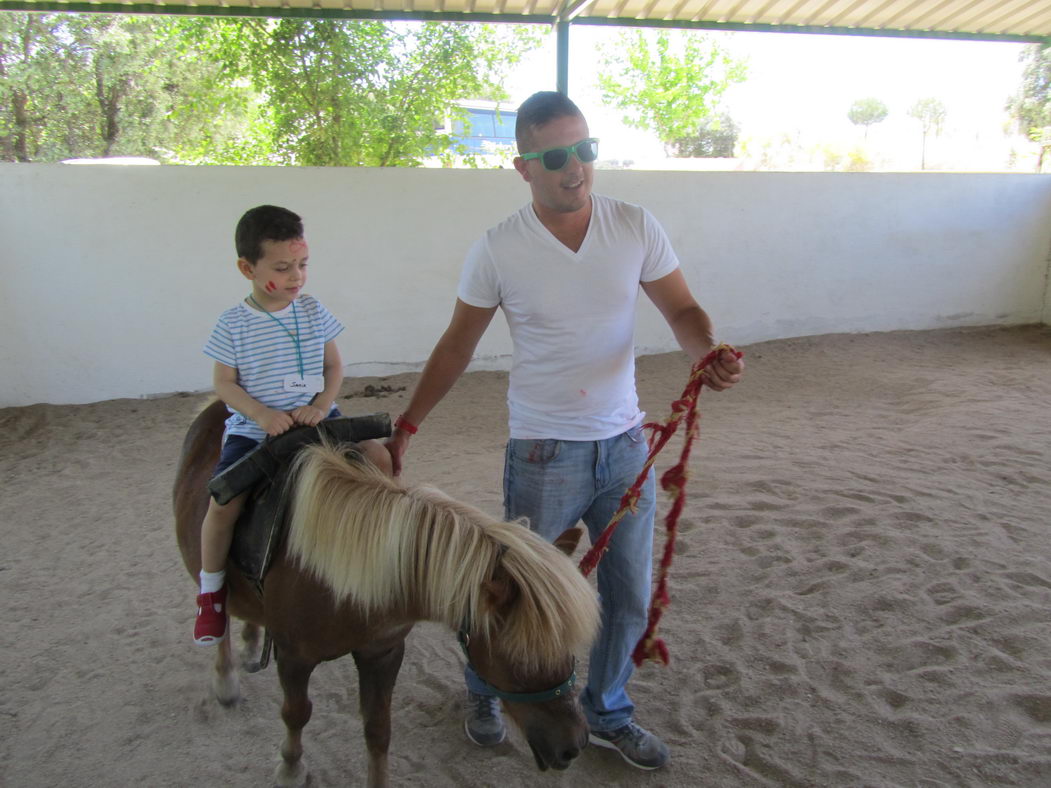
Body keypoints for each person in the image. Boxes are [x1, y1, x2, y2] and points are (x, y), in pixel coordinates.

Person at [385, 91, 743, 771]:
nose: (574, 166)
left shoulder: (634, 225)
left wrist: (706, 353)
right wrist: (407, 423)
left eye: (585, 149)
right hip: (542, 451)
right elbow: (458, 344)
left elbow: (683, 309)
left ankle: (608, 709)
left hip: (626, 447)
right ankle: (485, 692)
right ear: (523, 167)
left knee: (628, 594)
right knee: (511, 597)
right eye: (555, 156)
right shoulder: (497, 249)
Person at [194, 205, 391, 646]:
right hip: (256, 430)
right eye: (282, 268)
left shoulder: (313, 311)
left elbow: (334, 365)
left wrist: (322, 403)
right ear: (247, 268)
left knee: (379, 455)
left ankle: (379, 553)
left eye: (302, 265)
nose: (296, 277)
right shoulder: (234, 324)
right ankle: (210, 593)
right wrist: (262, 415)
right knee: (224, 503)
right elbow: (223, 384)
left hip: (317, 420)